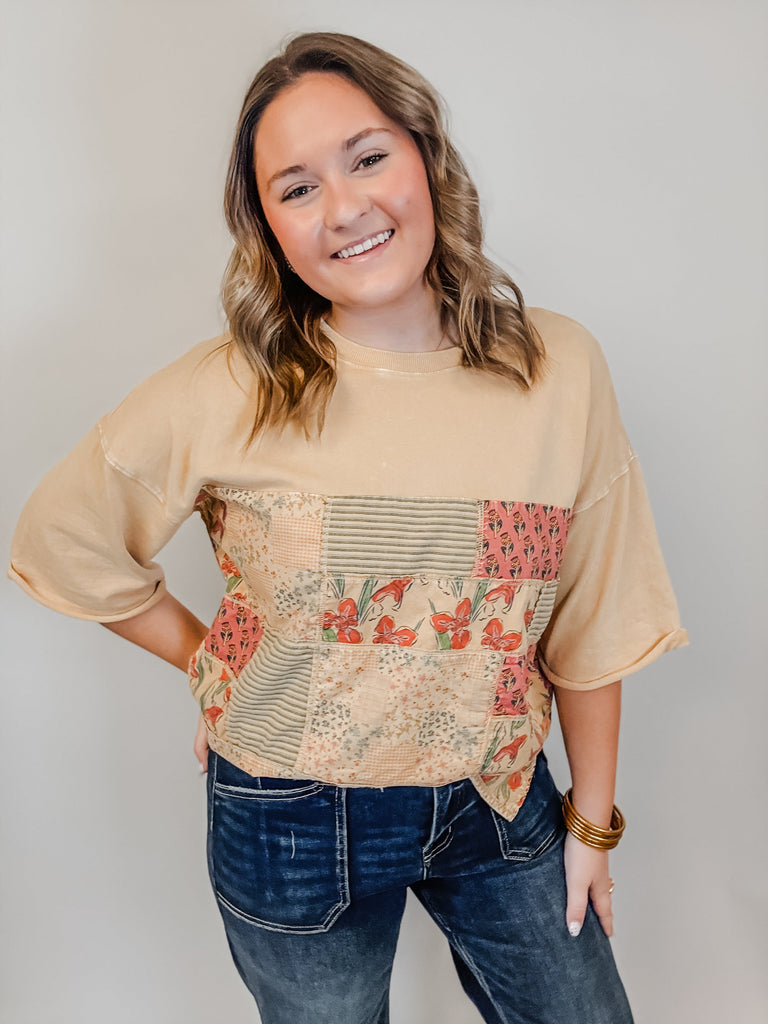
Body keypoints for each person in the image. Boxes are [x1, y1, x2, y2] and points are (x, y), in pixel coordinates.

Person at [8, 31, 687, 1024]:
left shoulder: (557, 369)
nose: (345, 208)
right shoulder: (227, 389)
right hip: (289, 814)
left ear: (425, 155)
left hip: (499, 797)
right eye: (297, 188)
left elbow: (596, 614)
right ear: (268, 228)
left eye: (367, 157)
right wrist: (214, 664)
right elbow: (60, 539)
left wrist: (591, 822)